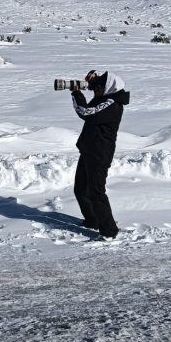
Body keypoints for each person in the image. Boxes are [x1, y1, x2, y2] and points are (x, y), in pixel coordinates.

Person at [70, 71, 130, 238]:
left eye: (99, 86)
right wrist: (93, 81)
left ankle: (109, 231)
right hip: (89, 149)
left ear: (109, 88)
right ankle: (92, 221)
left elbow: (86, 111)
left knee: (96, 192)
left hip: (99, 154)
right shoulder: (105, 98)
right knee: (80, 189)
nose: (95, 89)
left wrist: (76, 92)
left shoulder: (112, 103)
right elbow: (94, 104)